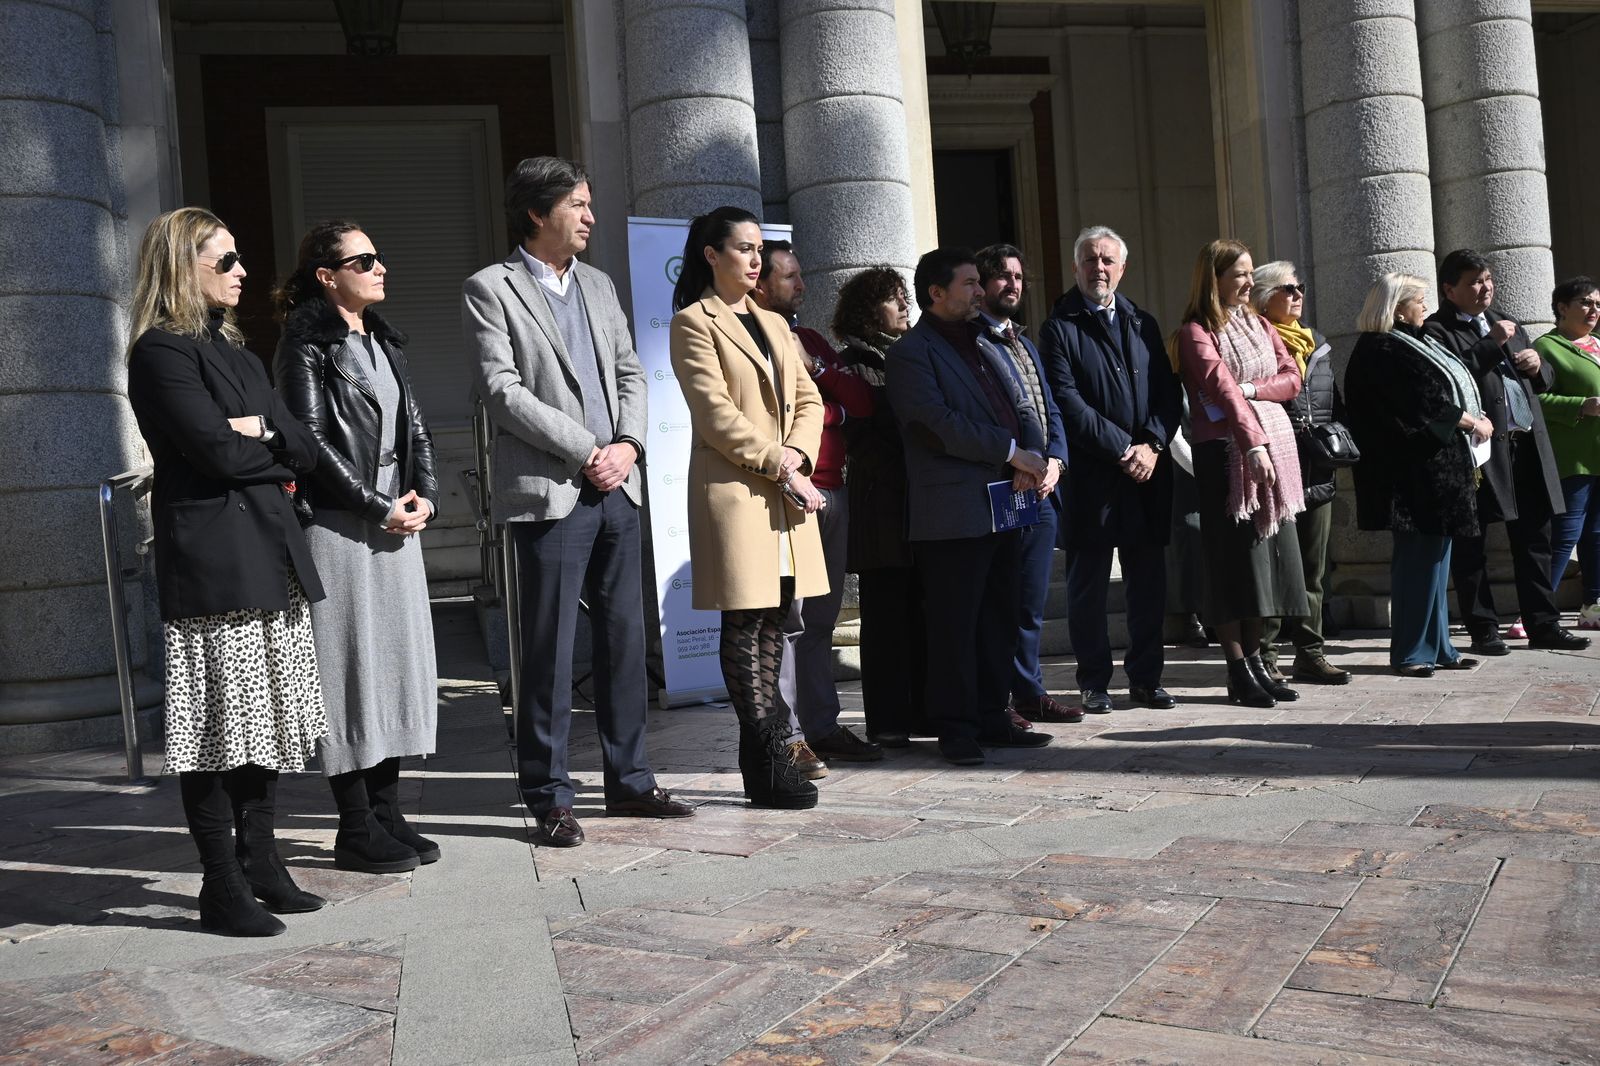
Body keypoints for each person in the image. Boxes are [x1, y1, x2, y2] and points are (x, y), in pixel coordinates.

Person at [462, 157, 693, 848]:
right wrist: (585, 449)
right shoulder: (490, 289)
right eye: (580, 205)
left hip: (619, 486)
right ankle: (549, 793)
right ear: (538, 212)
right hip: (552, 491)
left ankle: (631, 780)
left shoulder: (598, 284)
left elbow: (631, 372)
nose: (592, 217)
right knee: (550, 650)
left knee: (625, 641)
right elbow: (501, 390)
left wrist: (626, 446)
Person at [126, 208, 327, 937]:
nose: (244, 270)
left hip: (270, 552)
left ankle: (263, 861)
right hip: (214, 562)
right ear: (184, 267)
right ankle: (221, 883)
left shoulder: (241, 356)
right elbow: (216, 454)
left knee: (265, 722)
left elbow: (303, 445)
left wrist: (261, 435)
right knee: (215, 730)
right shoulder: (161, 353)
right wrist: (259, 442)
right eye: (227, 259)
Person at [274, 220, 441, 875]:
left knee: (395, 665)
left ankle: (386, 811)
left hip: (395, 519)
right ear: (326, 275)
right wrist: (377, 507)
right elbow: (308, 446)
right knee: (351, 669)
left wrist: (424, 495)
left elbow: (416, 428)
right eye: (363, 259)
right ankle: (353, 825)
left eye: (378, 256)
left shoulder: (381, 340)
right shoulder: (304, 344)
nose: (380, 267)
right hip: (341, 526)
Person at [669, 206, 829, 809]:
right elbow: (715, 416)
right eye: (743, 248)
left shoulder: (774, 322)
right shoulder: (693, 322)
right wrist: (779, 462)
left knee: (773, 624)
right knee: (745, 624)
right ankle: (768, 759)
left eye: (760, 248)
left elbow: (810, 400)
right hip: (737, 495)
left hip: (784, 495)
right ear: (712, 255)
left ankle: (770, 763)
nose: (756, 259)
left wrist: (797, 455)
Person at [887, 248, 1054, 765]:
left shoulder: (987, 342)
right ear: (936, 294)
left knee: (998, 617)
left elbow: (1022, 403)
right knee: (954, 625)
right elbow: (933, 423)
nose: (980, 291)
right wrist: (1010, 452)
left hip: (1008, 501)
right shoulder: (911, 352)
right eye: (968, 284)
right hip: (953, 512)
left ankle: (992, 715)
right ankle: (956, 727)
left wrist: (1038, 457)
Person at [1038, 226, 1180, 714]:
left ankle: (1146, 679)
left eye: (1107, 261)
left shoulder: (1143, 323)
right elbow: (1067, 402)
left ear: (1122, 268)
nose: (1098, 268)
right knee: (1088, 587)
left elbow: (1167, 393)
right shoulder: (1060, 327)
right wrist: (1124, 449)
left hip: (1148, 476)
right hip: (1094, 479)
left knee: (1147, 586)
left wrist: (1154, 444)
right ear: (1076, 267)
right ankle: (1093, 682)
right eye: (1089, 260)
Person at [751, 240, 881, 772]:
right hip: (784, 494)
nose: (802, 286)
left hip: (834, 493)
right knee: (789, 621)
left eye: (800, 275)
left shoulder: (808, 339)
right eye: (790, 276)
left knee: (823, 619)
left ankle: (822, 727)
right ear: (761, 284)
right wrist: (832, 417)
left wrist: (820, 375)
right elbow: (779, 421)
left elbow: (863, 401)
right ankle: (790, 735)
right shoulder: (750, 337)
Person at [1422, 249, 1588, 654]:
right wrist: (1492, 345)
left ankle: (1543, 623)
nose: (1486, 287)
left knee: (1535, 539)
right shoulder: (1437, 330)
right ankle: (1483, 628)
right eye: (1475, 281)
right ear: (1450, 289)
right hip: (1479, 453)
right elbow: (1451, 380)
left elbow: (1544, 383)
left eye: (1489, 279)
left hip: (1525, 446)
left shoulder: (1506, 322)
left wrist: (1538, 367)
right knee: (1472, 541)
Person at [1173, 238, 1307, 708]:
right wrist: (1252, 444)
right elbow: (1221, 392)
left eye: (1251, 273)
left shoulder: (1259, 323)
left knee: (1260, 568)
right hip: (1228, 459)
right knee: (1231, 568)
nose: (1251, 282)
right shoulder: (1195, 332)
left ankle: (1257, 664)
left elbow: (1293, 377)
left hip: (1271, 454)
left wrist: (1254, 387)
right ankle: (1237, 670)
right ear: (1215, 279)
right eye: (1241, 274)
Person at [1345, 273, 1489, 676]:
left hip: (1436, 471)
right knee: (1416, 564)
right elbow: (1414, 406)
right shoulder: (1381, 348)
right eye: (1419, 300)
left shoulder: (1415, 340)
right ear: (1396, 306)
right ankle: (1412, 651)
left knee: (1437, 562)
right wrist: (1467, 421)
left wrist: (1469, 417)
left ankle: (1440, 646)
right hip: (1409, 475)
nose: (1425, 307)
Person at [974, 243, 1077, 727]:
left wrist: (1055, 461)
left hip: (1043, 488)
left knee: (1032, 602)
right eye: (1001, 277)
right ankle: (1002, 699)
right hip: (1005, 489)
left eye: (1018, 276)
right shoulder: (971, 342)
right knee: (1005, 601)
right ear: (982, 286)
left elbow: (1050, 409)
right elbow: (987, 414)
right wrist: (1019, 461)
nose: (1012, 284)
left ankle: (1030, 692)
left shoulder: (1024, 340)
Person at [834, 267, 926, 747]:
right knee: (886, 620)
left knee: (920, 614)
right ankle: (889, 722)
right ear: (871, 310)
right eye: (895, 300)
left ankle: (924, 712)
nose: (905, 307)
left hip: (919, 508)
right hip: (881, 510)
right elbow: (860, 438)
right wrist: (913, 467)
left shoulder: (909, 355)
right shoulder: (853, 362)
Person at [1251, 260, 1351, 685]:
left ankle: (1310, 652)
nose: (1297, 295)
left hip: (1318, 470)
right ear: (1263, 297)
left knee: (1313, 569)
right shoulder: (1254, 342)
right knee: (1275, 568)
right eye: (1287, 289)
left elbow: (1334, 404)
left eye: (1300, 288)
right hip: (1275, 469)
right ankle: (1267, 656)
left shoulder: (1318, 344)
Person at [1533, 276, 1600, 628]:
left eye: (1598, 304)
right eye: (1586, 303)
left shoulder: (1599, 345)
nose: (1594, 310)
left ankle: (1593, 604)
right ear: (1562, 307)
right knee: (1565, 535)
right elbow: (1533, 400)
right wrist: (1580, 405)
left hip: (1599, 455)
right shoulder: (1546, 347)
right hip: (1572, 456)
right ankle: (1538, 611)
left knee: (1597, 535)